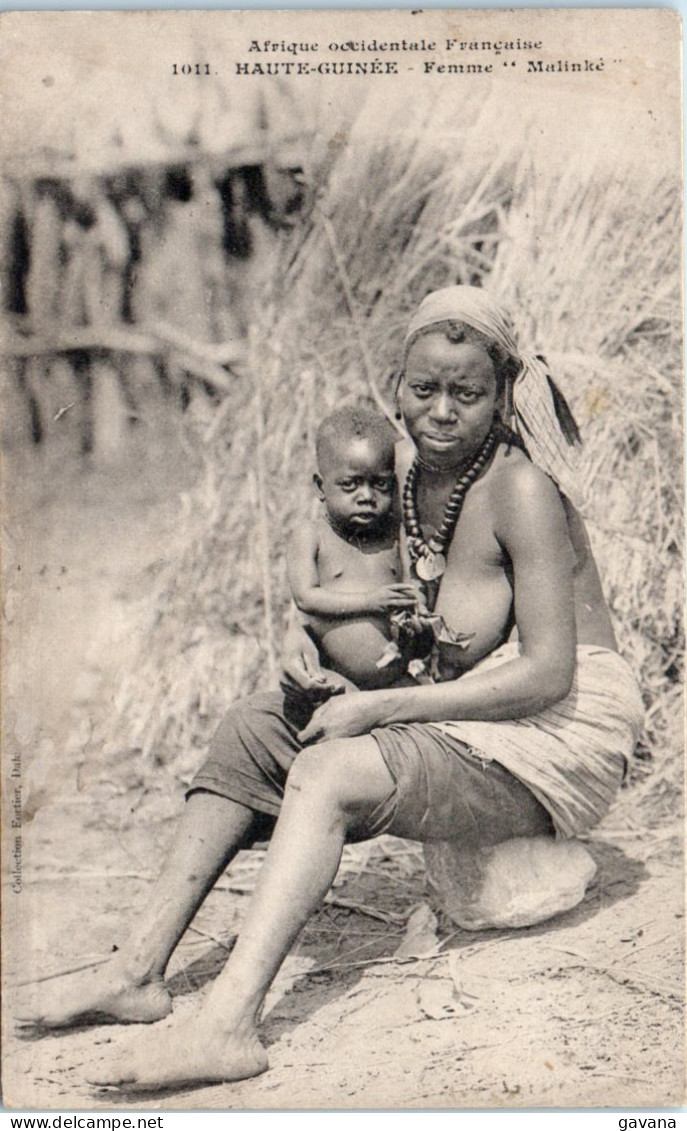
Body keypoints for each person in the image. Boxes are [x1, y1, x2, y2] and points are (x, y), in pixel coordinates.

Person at [21, 286, 644, 1092]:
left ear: (503, 393)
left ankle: (228, 1025)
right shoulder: (403, 479)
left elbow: (547, 673)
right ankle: (136, 970)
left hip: (558, 734)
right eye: (424, 391)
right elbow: (386, 623)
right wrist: (318, 666)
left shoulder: (518, 490)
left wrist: (381, 705)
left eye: (468, 393)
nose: (443, 412)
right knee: (254, 726)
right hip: (473, 715)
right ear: (395, 386)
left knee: (327, 771)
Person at [286, 403, 418, 693]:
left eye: (380, 485)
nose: (367, 496)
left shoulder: (393, 537)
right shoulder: (310, 535)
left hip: (397, 681)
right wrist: (370, 602)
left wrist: (414, 621)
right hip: (336, 681)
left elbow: (410, 590)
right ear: (321, 487)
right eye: (351, 485)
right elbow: (306, 598)